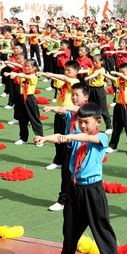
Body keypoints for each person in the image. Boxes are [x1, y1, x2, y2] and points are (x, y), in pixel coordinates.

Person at [35, 103, 123, 254]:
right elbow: (60, 138)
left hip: (93, 191)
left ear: (97, 122)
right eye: (80, 122)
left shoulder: (100, 137)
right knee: (70, 230)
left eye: (86, 122)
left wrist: (70, 135)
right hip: (75, 190)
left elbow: (85, 137)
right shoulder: (75, 135)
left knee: (102, 230)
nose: (82, 125)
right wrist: (44, 138)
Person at [43, 82, 90, 212]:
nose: (74, 98)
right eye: (72, 95)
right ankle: (63, 200)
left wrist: (61, 107)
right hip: (70, 146)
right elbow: (66, 113)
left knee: (81, 175)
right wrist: (56, 110)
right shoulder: (71, 110)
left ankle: (81, 201)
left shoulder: (88, 109)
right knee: (66, 174)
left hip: (82, 147)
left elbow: (80, 111)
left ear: (85, 97)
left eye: (77, 95)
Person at [39, 60, 81, 169]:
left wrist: (52, 74)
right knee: (58, 136)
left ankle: (70, 160)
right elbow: (59, 80)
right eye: (65, 70)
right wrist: (46, 75)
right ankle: (58, 161)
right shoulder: (64, 82)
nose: (66, 72)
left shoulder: (75, 81)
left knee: (68, 138)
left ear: (76, 72)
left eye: (69, 70)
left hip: (70, 115)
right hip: (59, 112)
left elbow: (65, 78)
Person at [8, 59, 44, 145]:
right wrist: (10, 74)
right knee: (22, 120)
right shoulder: (23, 75)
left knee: (34, 119)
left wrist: (16, 74)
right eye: (25, 66)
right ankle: (23, 138)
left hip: (29, 99)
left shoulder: (34, 76)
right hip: (21, 98)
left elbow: (29, 77)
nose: (26, 68)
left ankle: (40, 138)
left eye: (29, 66)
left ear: (34, 67)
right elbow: (19, 78)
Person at [106, 63, 127, 155]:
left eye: (123, 72)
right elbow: (114, 79)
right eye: (120, 71)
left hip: (126, 106)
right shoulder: (119, 81)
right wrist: (105, 74)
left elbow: (126, 78)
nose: (121, 74)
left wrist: (117, 73)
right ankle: (113, 146)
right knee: (116, 127)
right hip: (118, 106)